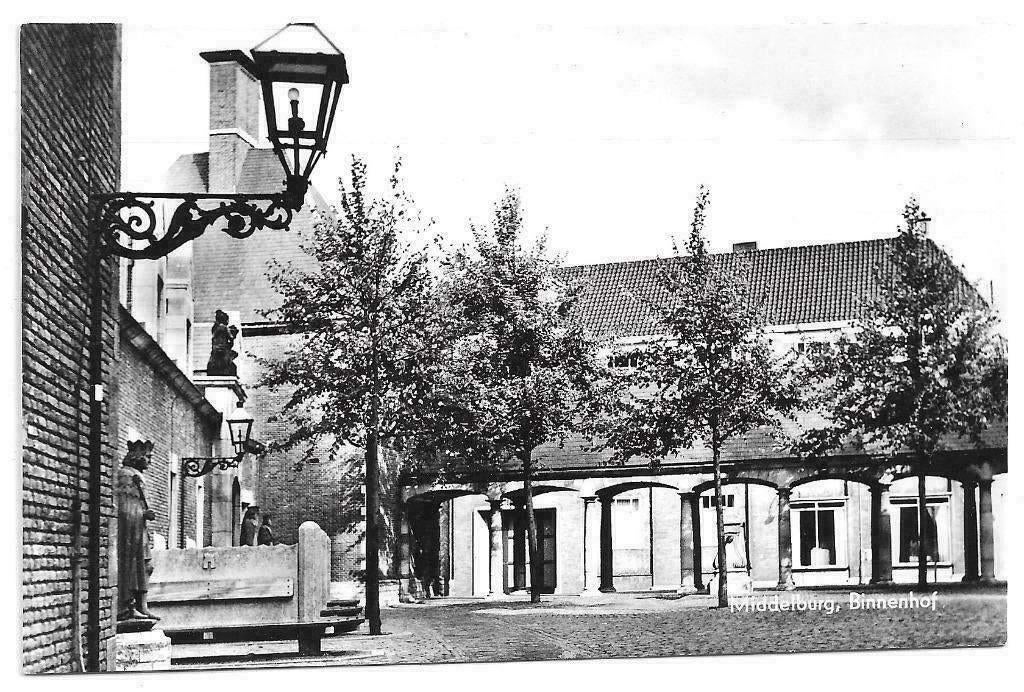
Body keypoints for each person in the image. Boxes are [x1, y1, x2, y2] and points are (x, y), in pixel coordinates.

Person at [116, 440, 159, 621]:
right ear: (137, 456)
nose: (149, 461)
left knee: (147, 565)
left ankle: (143, 606)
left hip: (140, 528)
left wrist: (144, 513)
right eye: (147, 457)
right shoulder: (126, 475)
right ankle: (128, 606)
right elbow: (126, 507)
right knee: (135, 566)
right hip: (132, 531)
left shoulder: (137, 475)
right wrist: (143, 513)